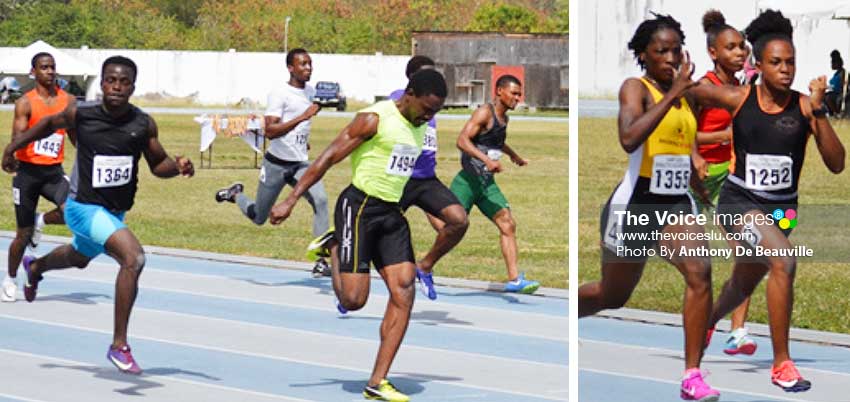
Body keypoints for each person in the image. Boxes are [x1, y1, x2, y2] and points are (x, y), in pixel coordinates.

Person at [1, 56, 195, 374]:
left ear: (133, 86)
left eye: (124, 82)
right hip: (82, 207)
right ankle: (119, 346)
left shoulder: (142, 123)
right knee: (133, 259)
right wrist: (12, 148)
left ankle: (35, 267)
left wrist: (178, 167)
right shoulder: (82, 113)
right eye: (111, 80)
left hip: (114, 211)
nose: (117, 87)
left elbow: (158, 165)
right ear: (102, 83)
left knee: (79, 258)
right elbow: (49, 124)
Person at [268, 69, 447, 402]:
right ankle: (334, 244)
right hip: (359, 209)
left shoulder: (419, 125)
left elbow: (404, 174)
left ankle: (377, 382)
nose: (429, 117)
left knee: (404, 290)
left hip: (391, 214)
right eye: (426, 108)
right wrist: (291, 199)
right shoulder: (373, 119)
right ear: (408, 95)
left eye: (435, 112)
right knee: (353, 301)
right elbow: (328, 157)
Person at [690, 9, 845, 393]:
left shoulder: (806, 107)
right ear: (758, 65)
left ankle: (706, 321)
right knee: (783, 260)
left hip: (781, 211)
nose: (786, 69)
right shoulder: (739, 98)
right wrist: (690, 147)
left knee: (744, 280)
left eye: (791, 62)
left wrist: (820, 110)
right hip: (739, 202)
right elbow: (688, 95)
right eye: (776, 62)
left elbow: (838, 164)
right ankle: (782, 364)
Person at [577, 14, 720, 401]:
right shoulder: (634, 89)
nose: (671, 58)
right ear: (644, 55)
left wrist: (695, 178)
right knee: (613, 295)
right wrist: (673, 94)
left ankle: (692, 374)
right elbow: (628, 137)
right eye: (661, 51)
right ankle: (565, 315)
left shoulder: (685, 94)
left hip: (675, 204)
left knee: (699, 270)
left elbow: (680, 144)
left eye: (676, 49)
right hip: (636, 203)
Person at [215, 48, 330, 277]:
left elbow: (300, 130)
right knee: (259, 217)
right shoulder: (279, 93)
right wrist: (302, 117)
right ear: (290, 68)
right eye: (303, 65)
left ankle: (320, 261)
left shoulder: (311, 91)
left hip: (300, 164)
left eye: (310, 64)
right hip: (276, 164)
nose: (308, 68)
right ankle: (235, 194)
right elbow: (270, 131)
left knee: (321, 200)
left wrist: (302, 142)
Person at [693, 10, 758, 356]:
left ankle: (737, 331)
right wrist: (704, 150)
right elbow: (686, 132)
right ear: (713, 53)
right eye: (732, 48)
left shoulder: (745, 89)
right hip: (698, 177)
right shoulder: (703, 88)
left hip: (732, 179)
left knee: (746, 252)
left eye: (743, 47)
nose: (740, 53)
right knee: (693, 261)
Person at [388, 55, 468, 300]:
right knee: (374, 231)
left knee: (457, 221)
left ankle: (424, 267)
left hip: (425, 179)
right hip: (399, 180)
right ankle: (342, 265)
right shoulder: (398, 98)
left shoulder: (432, 103)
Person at [449, 75, 539, 294]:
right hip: (468, 181)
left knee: (507, 223)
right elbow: (462, 140)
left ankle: (515, 279)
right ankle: (425, 266)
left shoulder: (504, 118)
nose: (518, 98)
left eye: (519, 94)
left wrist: (514, 156)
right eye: (514, 93)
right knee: (447, 229)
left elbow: (496, 141)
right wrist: (488, 161)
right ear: (499, 91)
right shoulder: (484, 113)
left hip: (487, 184)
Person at [3, 52, 72, 303]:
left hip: (54, 172)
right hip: (28, 174)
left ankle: (41, 220)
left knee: (73, 212)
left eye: (53, 67)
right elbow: (17, 137)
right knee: (23, 234)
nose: (50, 71)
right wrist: (10, 155)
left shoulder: (68, 100)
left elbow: (76, 135)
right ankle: (10, 278)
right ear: (34, 72)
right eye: (44, 67)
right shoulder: (26, 103)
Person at [825, 50, 845, 117]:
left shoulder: (843, 73)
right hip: (834, 93)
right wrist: (826, 87)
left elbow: (841, 86)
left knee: (828, 97)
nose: (831, 65)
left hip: (839, 94)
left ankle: (837, 113)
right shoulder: (836, 74)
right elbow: (833, 86)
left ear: (837, 63)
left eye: (832, 63)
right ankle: (831, 114)